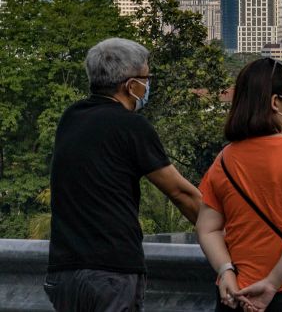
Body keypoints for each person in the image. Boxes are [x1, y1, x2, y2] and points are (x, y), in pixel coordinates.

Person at [45, 37, 203, 311]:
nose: (148, 85)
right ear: (131, 86)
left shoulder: (71, 117)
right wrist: (222, 236)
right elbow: (180, 193)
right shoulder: (131, 126)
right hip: (111, 272)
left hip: (64, 272)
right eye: (146, 77)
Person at [197, 57, 282, 312]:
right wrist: (271, 284)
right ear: (275, 102)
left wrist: (226, 272)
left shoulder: (224, 160)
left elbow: (207, 229)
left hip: (237, 295)